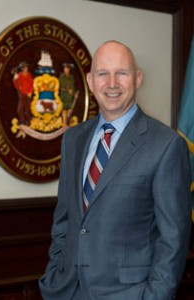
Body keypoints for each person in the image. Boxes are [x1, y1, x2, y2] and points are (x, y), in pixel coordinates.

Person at [39, 40, 192, 300]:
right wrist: (54, 273)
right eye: (103, 73)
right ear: (90, 81)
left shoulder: (166, 145)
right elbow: (64, 219)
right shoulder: (73, 139)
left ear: (138, 78)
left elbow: (173, 240)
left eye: (122, 73)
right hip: (66, 291)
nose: (112, 83)